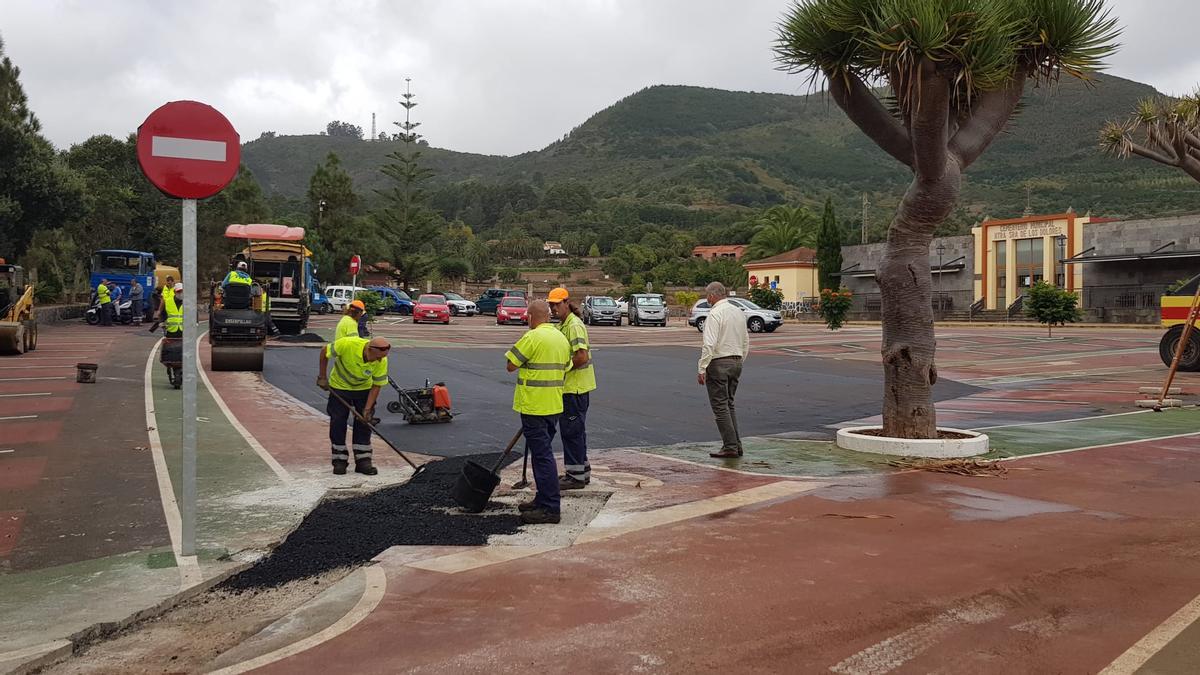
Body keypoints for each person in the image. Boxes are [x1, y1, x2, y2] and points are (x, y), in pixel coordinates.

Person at [506, 300, 571, 524]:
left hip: (534, 406)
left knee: (543, 457)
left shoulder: (532, 337)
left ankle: (551, 508)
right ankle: (542, 499)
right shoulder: (561, 338)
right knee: (541, 454)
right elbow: (568, 366)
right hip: (553, 406)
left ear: (532, 317)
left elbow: (511, 364)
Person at [317, 335, 391, 475]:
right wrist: (322, 376)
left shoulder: (382, 360)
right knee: (338, 421)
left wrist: (367, 409)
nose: (380, 360)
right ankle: (339, 460)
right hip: (340, 387)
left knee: (364, 423)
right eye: (377, 357)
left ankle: (363, 461)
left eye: (382, 357)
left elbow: (377, 385)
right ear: (369, 349)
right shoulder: (347, 344)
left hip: (364, 390)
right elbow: (324, 351)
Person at [547, 288, 595, 489]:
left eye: (557, 304)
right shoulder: (564, 325)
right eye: (551, 305)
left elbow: (581, 356)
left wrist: (562, 370)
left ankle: (575, 477)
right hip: (572, 388)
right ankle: (581, 472)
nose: (553, 308)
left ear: (566, 303)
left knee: (571, 431)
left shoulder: (574, 325)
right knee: (575, 431)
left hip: (575, 388)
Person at [697, 281, 749, 458]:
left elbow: (709, 344)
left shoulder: (715, 314)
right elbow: (745, 341)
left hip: (719, 362)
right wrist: (740, 360)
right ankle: (736, 444)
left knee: (720, 406)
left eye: (707, 295)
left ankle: (730, 446)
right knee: (729, 404)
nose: (707, 299)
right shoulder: (737, 312)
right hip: (736, 361)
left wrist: (702, 368)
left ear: (712, 295)